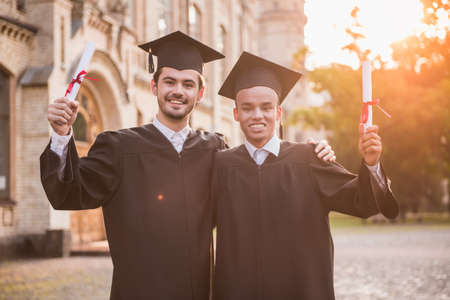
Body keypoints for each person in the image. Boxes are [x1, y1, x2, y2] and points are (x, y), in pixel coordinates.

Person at [40, 32, 335, 300]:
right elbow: (69, 193)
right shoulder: (119, 147)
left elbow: (258, 189)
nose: (177, 91)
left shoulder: (215, 150)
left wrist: (308, 155)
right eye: (169, 81)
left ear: (200, 93)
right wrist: (62, 135)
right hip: (139, 292)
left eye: (188, 84)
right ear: (154, 86)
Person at [212, 52, 399, 300]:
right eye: (247, 108)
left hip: (301, 291)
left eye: (266, 107)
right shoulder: (221, 165)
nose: (257, 115)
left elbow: (361, 202)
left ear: (279, 113)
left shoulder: (309, 159)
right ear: (236, 114)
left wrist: (371, 163)